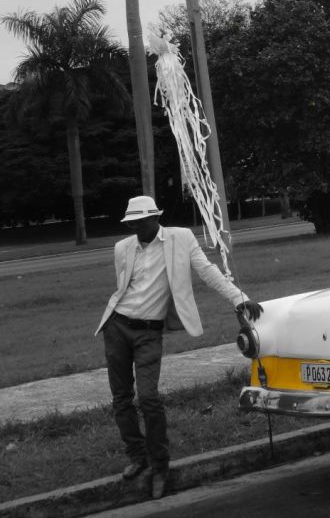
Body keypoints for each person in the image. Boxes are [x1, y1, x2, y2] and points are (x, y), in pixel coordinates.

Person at [95, 196, 263, 500]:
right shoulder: (123, 248)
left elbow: (208, 271)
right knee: (121, 398)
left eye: (139, 223)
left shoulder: (180, 238)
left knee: (148, 397)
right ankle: (137, 456)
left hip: (149, 332)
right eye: (130, 224)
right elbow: (124, 289)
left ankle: (160, 465)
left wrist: (239, 297)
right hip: (117, 327)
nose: (135, 228)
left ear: (154, 219)